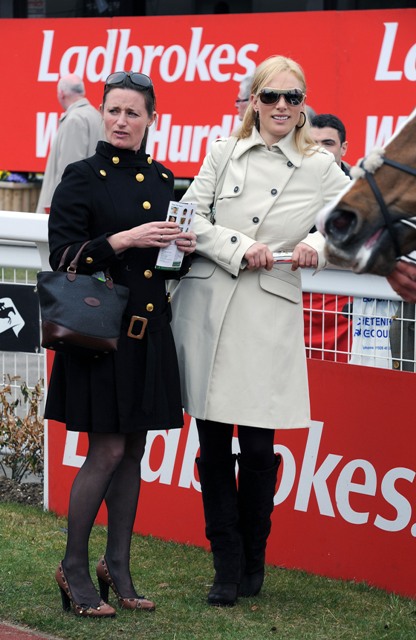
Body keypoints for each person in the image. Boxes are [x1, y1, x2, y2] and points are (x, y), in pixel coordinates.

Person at [170, 55, 350, 607]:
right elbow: (189, 217)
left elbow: (353, 217)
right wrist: (238, 247)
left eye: (293, 97)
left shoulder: (320, 164)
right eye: (270, 96)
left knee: (256, 446)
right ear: (254, 101)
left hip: (268, 313)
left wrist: (315, 245)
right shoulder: (223, 151)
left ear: (303, 105)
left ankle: (253, 558)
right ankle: (225, 564)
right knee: (212, 445)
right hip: (209, 308)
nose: (281, 106)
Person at [45, 70, 196, 618]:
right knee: (106, 451)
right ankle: (73, 568)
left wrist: (183, 250)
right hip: (100, 337)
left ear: (152, 118)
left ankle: (118, 567)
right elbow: (62, 255)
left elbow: (163, 267)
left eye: (133, 112)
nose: (121, 121)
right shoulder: (82, 176)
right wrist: (123, 239)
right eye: (114, 110)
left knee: (133, 452)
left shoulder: (163, 178)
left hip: (147, 334)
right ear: (102, 113)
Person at [305, 113, 353, 362]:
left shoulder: (361, 190)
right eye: (313, 144)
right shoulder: (289, 187)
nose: (320, 151)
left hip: (347, 308)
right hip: (298, 300)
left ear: (343, 148)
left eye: (328, 143)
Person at [36, 74, 103, 213]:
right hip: (88, 204)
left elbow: (69, 172)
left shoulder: (74, 119)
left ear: (61, 93)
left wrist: (57, 206)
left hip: (68, 209)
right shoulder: (95, 115)